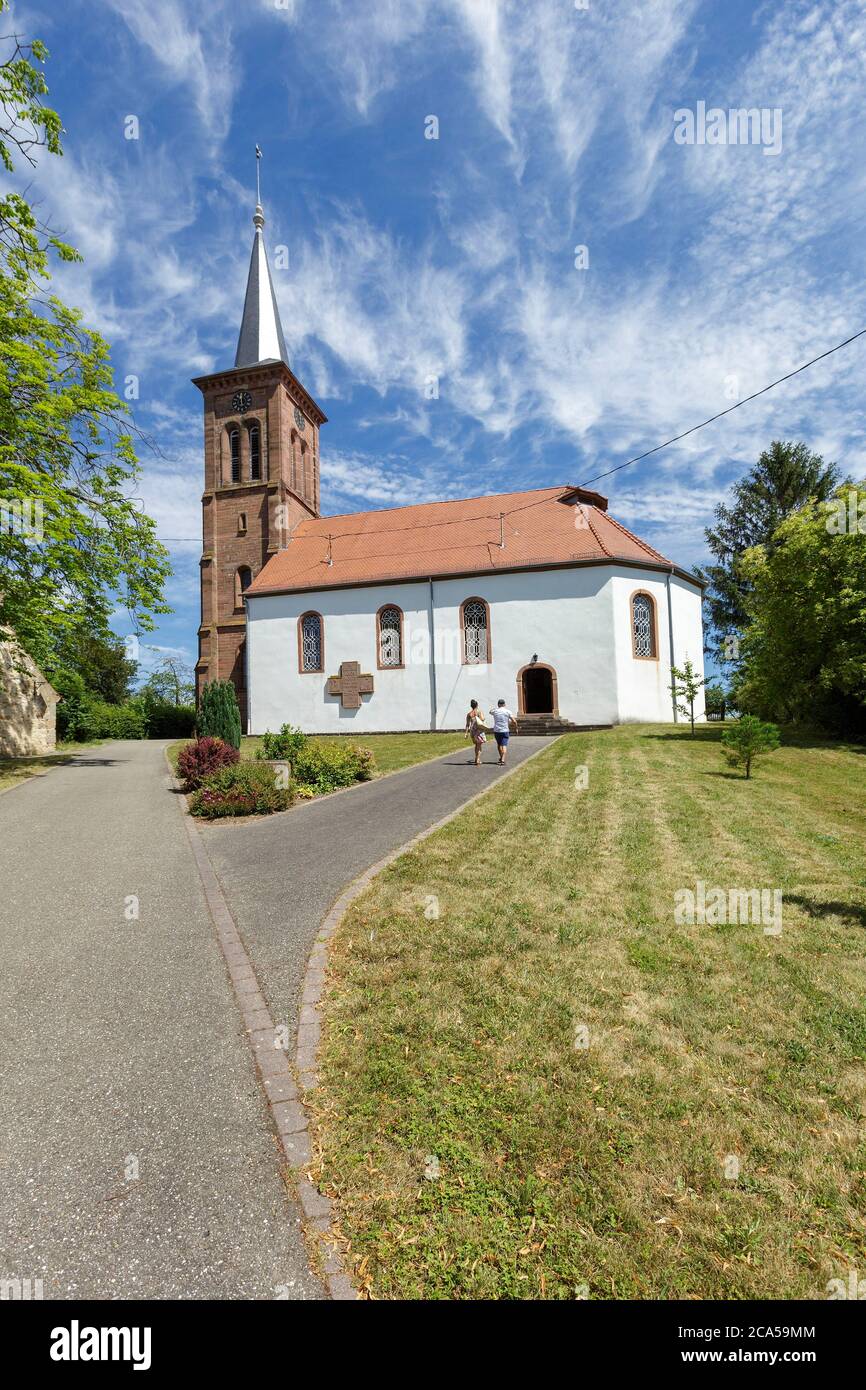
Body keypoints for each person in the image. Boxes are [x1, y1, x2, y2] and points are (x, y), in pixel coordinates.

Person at [489, 699, 518, 764]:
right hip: (505, 730)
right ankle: (503, 759)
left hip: (497, 730)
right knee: (504, 745)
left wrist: (496, 708)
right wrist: (516, 728)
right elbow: (514, 721)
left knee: (499, 745)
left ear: (498, 704)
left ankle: (501, 757)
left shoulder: (495, 711)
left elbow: (490, 711)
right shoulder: (508, 711)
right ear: (504, 704)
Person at [464, 699, 487, 766]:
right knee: (479, 745)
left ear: (471, 706)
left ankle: (476, 758)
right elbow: (482, 719)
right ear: (477, 705)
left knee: (476, 745)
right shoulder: (479, 712)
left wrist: (466, 733)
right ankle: (477, 759)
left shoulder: (469, 714)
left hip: (473, 731)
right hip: (479, 731)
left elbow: (467, 724)